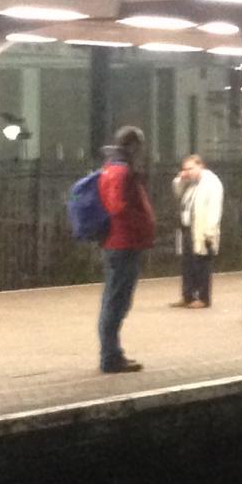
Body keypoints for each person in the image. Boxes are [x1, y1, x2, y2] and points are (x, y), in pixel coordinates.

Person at [95, 125, 156, 372]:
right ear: (132, 146)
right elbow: (117, 206)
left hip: (119, 243)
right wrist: (140, 222)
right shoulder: (120, 171)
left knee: (115, 300)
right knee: (116, 302)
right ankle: (110, 357)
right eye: (139, 146)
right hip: (123, 243)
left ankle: (112, 353)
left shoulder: (111, 168)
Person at [172, 152, 224, 309]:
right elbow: (177, 193)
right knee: (187, 264)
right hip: (188, 228)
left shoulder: (212, 184)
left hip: (202, 231)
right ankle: (187, 295)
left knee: (201, 265)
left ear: (201, 166)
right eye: (185, 169)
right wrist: (180, 179)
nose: (188, 172)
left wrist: (210, 231)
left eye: (191, 168)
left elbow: (214, 209)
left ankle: (203, 297)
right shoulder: (191, 183)